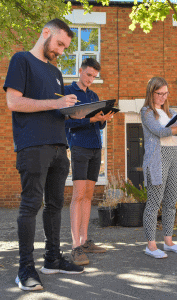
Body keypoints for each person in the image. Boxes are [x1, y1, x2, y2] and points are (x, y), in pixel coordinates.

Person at [3, 19, 85, 291]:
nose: (61, 51)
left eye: (65, 47)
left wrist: (79, 114)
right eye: (60, 44)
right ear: (46, 32)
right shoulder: (21, 60)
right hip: (32, 146)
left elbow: (55, 110)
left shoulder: (56, 72)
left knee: (55, 205)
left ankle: (52, 259)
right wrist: (56, 102)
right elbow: (13, 102)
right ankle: (25, 268)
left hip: (59, 146)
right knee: (30, 206)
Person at [141, 77, 177, 259]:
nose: (163, 97)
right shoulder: (147, 112)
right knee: (153, 203)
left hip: (174, 155)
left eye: (166, 93)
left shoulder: (170, 111)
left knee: (171, 202)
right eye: (160, 93)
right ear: (151, 92)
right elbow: (160, 132)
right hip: (158, 158)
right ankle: (150, 245)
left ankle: (168, 241)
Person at [65, 58, 114, 266]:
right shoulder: (67, 92)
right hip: (78, 147)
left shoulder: (94, 95)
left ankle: (85, 241)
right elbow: (66, 121)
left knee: (88, 196)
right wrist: (90, 120)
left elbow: (97, 125)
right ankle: (75, 246)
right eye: (88, 75)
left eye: (94, 76)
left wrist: (103, 120)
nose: (91, 80)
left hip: (95, 148)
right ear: (80, 71)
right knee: (78, 195)